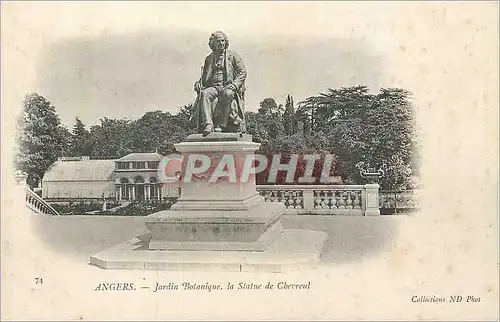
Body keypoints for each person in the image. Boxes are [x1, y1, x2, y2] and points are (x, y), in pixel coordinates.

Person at [191, 31, 247, 136]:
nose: (221, 43)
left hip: (227, 86)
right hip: (213, 87)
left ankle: (221, 125)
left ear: (226, 42)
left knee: (228, 94)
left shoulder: (233, 56)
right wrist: (198, 83)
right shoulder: (209, 58)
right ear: (213, 44)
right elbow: (204, 77)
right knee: (205, 94)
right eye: (218, 41)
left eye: (223, 41)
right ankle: (208, 124)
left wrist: (235, 85)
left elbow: (242, 72)